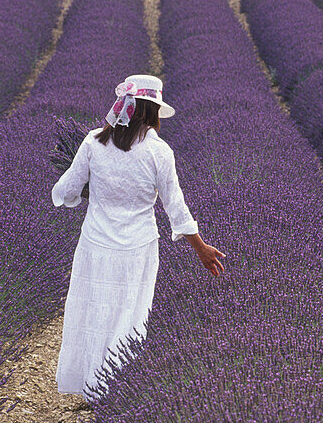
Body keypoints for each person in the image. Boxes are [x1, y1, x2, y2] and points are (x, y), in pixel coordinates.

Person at [50, 73, 224, 399]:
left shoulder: (93, 142)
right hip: (138, 249)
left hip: (95, 245)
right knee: (129, 316)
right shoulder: (159, 152)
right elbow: (176, 207)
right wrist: (200, 247)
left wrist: (86, 195)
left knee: (91, 311)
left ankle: (90, 386)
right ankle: (111, 389)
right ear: (152, 111)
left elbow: (66, 190)